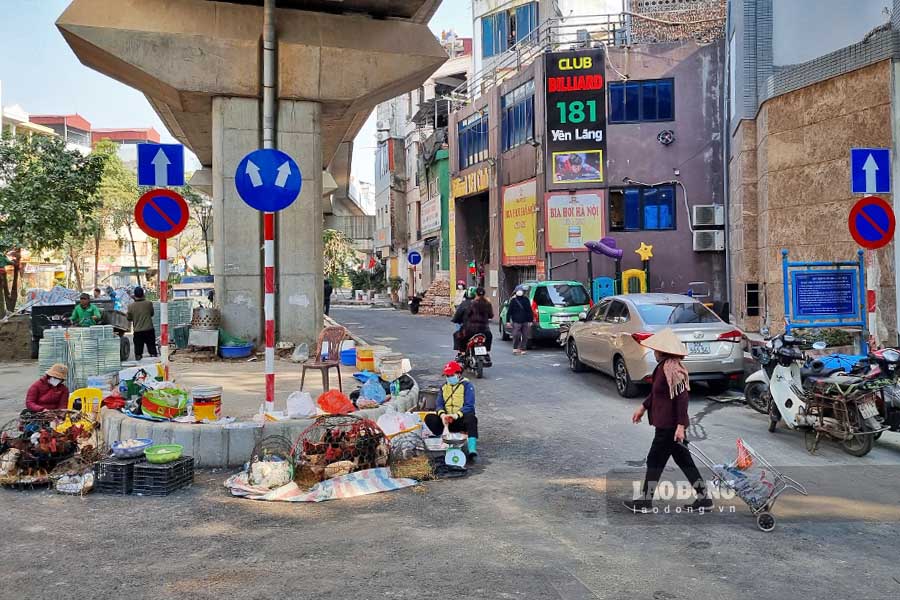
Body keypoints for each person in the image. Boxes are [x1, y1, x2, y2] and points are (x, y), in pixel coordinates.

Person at [625, 328, 711, 513]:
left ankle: (645, 502)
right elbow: (659, 393)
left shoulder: (672, 368)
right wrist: (643, 407)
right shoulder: (663, 366)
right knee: (684, 461)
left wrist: (680, 426)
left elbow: (682, 399)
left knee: (654, 461)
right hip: (668, 425)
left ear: (662, 351)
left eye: (656, 349)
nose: (654, 352)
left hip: (669, 427)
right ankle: (704, 499)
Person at [424, 361, 479, 462]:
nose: (449, 377)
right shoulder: (444, 387)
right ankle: (444, 439)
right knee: (429, 418)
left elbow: (469, 405)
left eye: (451, 375)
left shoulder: (467, 385)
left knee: (471, 418)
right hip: (447, 421)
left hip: (460, 419)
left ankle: (472, 449)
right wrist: (443, 415)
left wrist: (455, 415)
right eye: (447, 375)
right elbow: (439, 404)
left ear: (458, 374)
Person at [127, 286, 157, 361]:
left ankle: (139, 366)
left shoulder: (130, 306)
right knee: (152, 349)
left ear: (135, 295)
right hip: (149, 330)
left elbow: (129, 318)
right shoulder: (149, 304)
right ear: (143, 294)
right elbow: (152, 314)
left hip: (138, 332)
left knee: (138, 352)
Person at [463, 287, 493, 352]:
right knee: (489, 337)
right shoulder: (488, 304)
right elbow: (491, 315)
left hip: (472, 329)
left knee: (463, 338)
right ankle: (486, 351)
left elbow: (467, 314)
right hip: (484, 329)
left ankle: (464, 353)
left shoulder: (472, 303)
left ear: (476, 294)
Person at [507, 286, 534, 355]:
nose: (520, 291)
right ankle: (515, 348)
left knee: (525, 335)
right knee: (516, 335)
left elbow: (529, 310)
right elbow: (509, 311)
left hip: (525, 320)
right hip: (516, 321)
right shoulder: (513, 300)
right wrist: (508, 321)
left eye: (521, 290)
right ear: (516, 292)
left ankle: (523, 348)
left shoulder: (526, 300)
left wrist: (530, 320)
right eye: (518, 290)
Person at [451, 287, 475, 354]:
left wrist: (455, 319)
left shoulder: (464, 304)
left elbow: (458, 314)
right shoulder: (483, 303)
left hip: (468, 329)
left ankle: (462, 353)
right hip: (483, 329)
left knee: (457, 335)